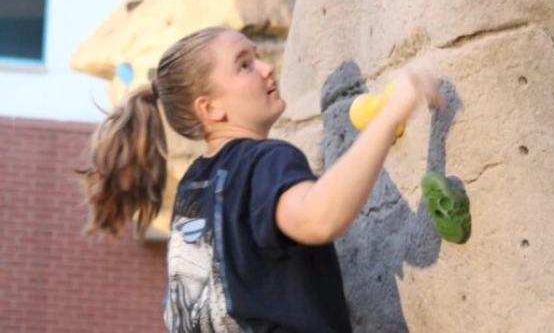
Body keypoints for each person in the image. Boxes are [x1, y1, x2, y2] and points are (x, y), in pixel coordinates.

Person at [78, 27, 443, 333]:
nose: (267, 68)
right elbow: (319, 218)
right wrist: (392, 114)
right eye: (244, 65)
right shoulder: (264, 161)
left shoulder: (195, 188)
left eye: (256, 57)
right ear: (209, 109)